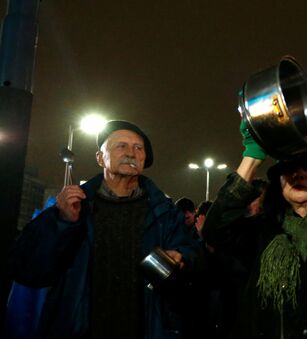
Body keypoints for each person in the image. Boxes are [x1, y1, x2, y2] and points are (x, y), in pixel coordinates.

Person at [9, 120, 199, 338]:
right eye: (121, 146)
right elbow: (28, 271)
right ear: (100, 158)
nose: (131, 153)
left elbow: (192, 262)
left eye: (139, 148)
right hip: (78, 329)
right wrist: (63, 223)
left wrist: (181, 259)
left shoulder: (165, 213)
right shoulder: (70, 206)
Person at [203, 118, 307, 338]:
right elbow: (214, 231)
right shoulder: (260, 231)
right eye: (289, 168)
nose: (298, 174)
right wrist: (252, 156)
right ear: (279, 182)